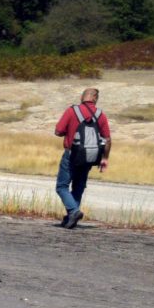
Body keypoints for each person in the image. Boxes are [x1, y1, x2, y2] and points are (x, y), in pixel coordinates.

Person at [52, 87, 112, 228]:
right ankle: (70, 218)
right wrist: (105, 159)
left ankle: (73, 211)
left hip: (71, 154)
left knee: (61, 186)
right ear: (95, 98)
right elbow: (108, 140)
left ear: (83, 97)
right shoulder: (100, 115)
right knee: (78, 187)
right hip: (89, 157)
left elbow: (58, 131)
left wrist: (68, 132)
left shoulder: (72, 111)